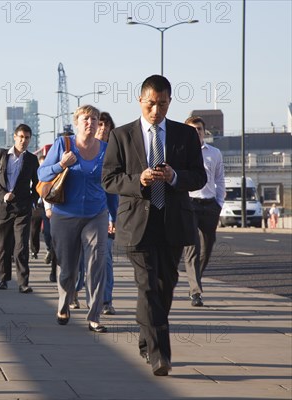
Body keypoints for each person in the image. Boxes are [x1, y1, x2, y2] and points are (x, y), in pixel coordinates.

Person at [102, 75, 207, 376]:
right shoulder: (121, 136)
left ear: (169, 102)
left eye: (162, 104)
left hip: (172, 222)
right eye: (150, 104)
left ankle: (146, 338)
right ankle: (161, 355)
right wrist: (140, 180)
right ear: (140, 100)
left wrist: (174, 177)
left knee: (164, 288)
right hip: (137, 223)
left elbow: (199, 177)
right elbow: (109, 179)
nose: (156, 110)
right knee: (147, 287)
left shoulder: (184, 136)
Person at [38, 106, 117, 333]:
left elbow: (111, 188)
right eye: (85, 119)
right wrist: (61, 164)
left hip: (96, 215)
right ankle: (64, 305)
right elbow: (42, 175)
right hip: (65, 215)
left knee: (96, 265)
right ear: (77, 122)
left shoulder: (106, 150)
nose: (90, 123)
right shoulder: (64, 144)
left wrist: (113, 216)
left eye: (94, 119)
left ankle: (94, 316)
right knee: (68, 268)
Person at [0, 124, 39, 293]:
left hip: (22, 209)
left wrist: (32, 200)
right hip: (3, 208)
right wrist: (3, 194)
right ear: (15, 137)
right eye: (21, 137)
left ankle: (23, 282)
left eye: (27, 138)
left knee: (22, 246)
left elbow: (38, 184)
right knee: (4, 246)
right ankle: (3, 279)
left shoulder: (31, 159)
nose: (24, 141)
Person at [183, 116, 226, 307]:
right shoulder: (180, 152)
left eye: (199, 129)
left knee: (206, 249)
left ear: (204, 131)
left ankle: (195, 280)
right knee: (192, 247)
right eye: (192, 129)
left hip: (209, 205)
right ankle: (196, 292)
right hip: (189, 204)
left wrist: (219, 203)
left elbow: (220, 179)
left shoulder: (214, 153)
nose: (196, 132)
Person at [97, 111, 119, 316]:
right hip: (79, 214)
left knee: (106, 259)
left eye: (106, 125)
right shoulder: (79, 149)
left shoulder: (114, 152)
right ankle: (75, 292)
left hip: (105, 215)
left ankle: (105, 301)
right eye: (100, 124)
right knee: (78, 263)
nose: (102, 128)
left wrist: (113, 217)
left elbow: (114, 188)